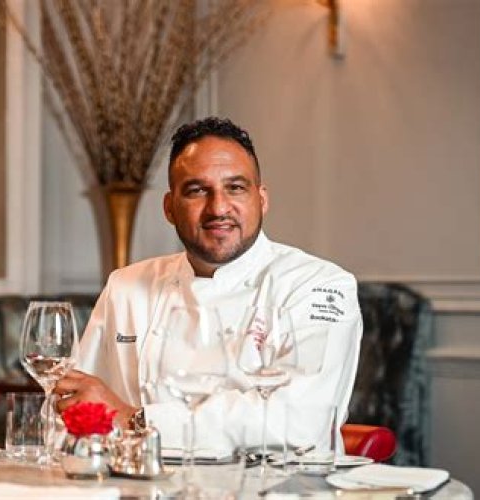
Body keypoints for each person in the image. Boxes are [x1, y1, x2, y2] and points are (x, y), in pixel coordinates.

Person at [54, 117, 362, 452]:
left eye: (235, 188)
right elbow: (69, 409)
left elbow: (299, 422)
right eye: (197, 190)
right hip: (142, 478)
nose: (218, 207)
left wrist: (134, 419)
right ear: (169, 208)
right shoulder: (126, 287)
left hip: (274, 481)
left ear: (262, 200)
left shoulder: (319, 286)